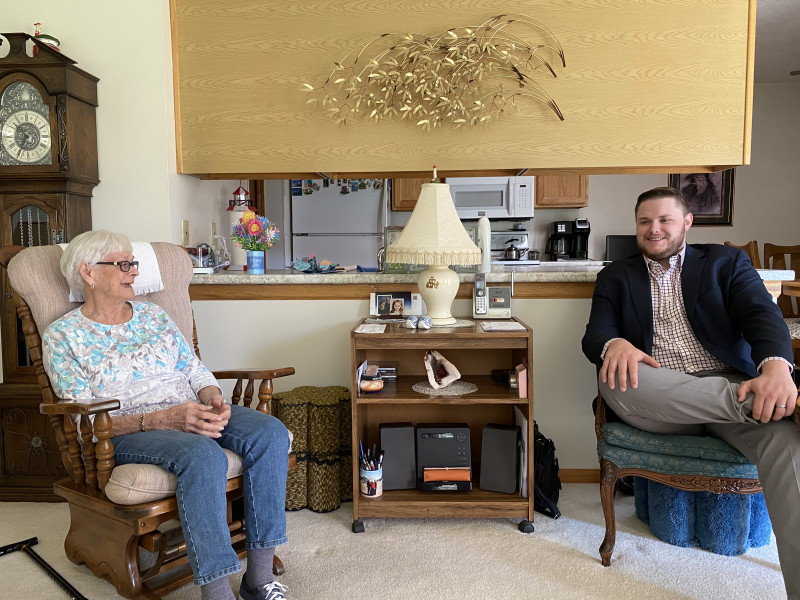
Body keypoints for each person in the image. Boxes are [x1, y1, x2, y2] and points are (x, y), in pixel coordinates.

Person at [41, 231, 290, 600]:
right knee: (202, 455)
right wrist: (165, 419)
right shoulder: (64, 336)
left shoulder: (153, 314)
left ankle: (259, 579)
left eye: (134, 264)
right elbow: (82, 421)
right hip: (129, 429)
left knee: (270, 432)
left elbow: (193, 369)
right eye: (123, 264)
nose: (133, 272)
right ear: (87, 273)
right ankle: (218, 591)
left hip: (190, 407)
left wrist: (213, 398)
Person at [582, 187, 800, 599]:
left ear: (687, 222)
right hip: (658, 397)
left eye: (664, 219)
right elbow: (597, 335)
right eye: (645, 222)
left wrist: (773, 367)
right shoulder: (615, 274)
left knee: (787, 443)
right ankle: (777, 405)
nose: (654, 229)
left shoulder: (725, 261)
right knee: (615, 377)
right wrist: (617, 345)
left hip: (730, 392)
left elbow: (761, 313)